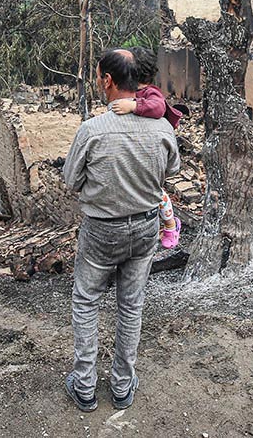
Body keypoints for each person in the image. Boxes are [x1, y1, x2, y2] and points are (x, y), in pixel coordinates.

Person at [62, 48, 181, 412]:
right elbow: (171, 169)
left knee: (86, 301)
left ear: (108, 81)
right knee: (131, 306)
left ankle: (84, 386)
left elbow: (71, 180)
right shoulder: (162, 128)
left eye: (99, 77)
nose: (99, 81)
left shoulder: (92, 131)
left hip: (101, 231)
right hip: (145, 228)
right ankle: (122, 386)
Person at [109, 47, 183, 249]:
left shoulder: (150, 93)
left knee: (156, 193)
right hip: (137, 147)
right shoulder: (132, 91)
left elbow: (158, 107)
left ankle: (170, 224)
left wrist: (133, 106)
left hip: (151, 149)